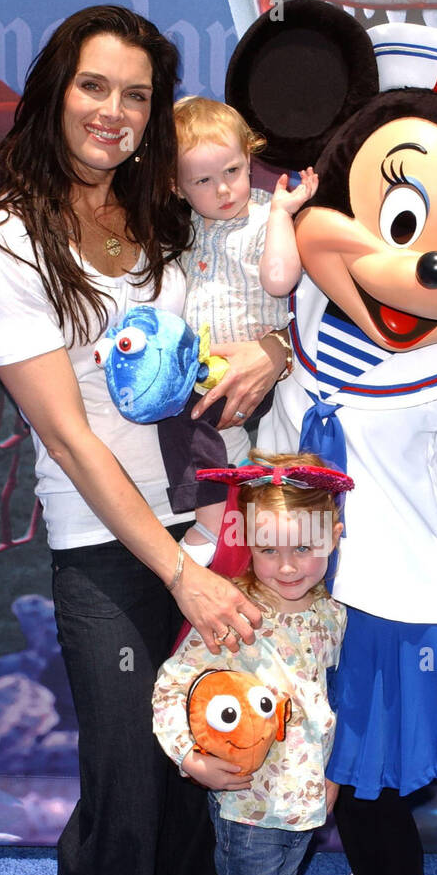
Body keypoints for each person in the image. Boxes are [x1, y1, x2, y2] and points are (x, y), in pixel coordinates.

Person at [0, 5, 290, 875]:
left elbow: (242, 319)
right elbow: (69, 435)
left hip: (217, 512)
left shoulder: (165, 214)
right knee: (129, 778)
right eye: (95, 86)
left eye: (136, 94)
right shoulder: (7, 240)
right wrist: (179, 573)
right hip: (116, 545)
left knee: (211, 756)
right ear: (56, 90)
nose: (114, 111)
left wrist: (271, 361)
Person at [152, 451, 349, 875]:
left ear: (335, 534)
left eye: (306, 547)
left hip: (305, 804)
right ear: (247, 544)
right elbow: (172, 686)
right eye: (269, 550)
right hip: (248, 806)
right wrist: (190, 759)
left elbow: (326, 704)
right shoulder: (233, 617)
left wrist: (334, 775)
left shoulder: (328, 614)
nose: (288, 566)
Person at [157, 96, 317, 566]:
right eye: (203, 181)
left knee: (197, 419)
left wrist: (284, 217)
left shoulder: (269, 215)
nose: (223, 189)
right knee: (177, 411)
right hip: (207, 372)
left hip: (262, 370)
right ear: (177, 187)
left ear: (249, 157)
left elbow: (280, 280)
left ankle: (209, 518)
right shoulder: (182, 231)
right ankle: (222, 498)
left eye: (231, 170)